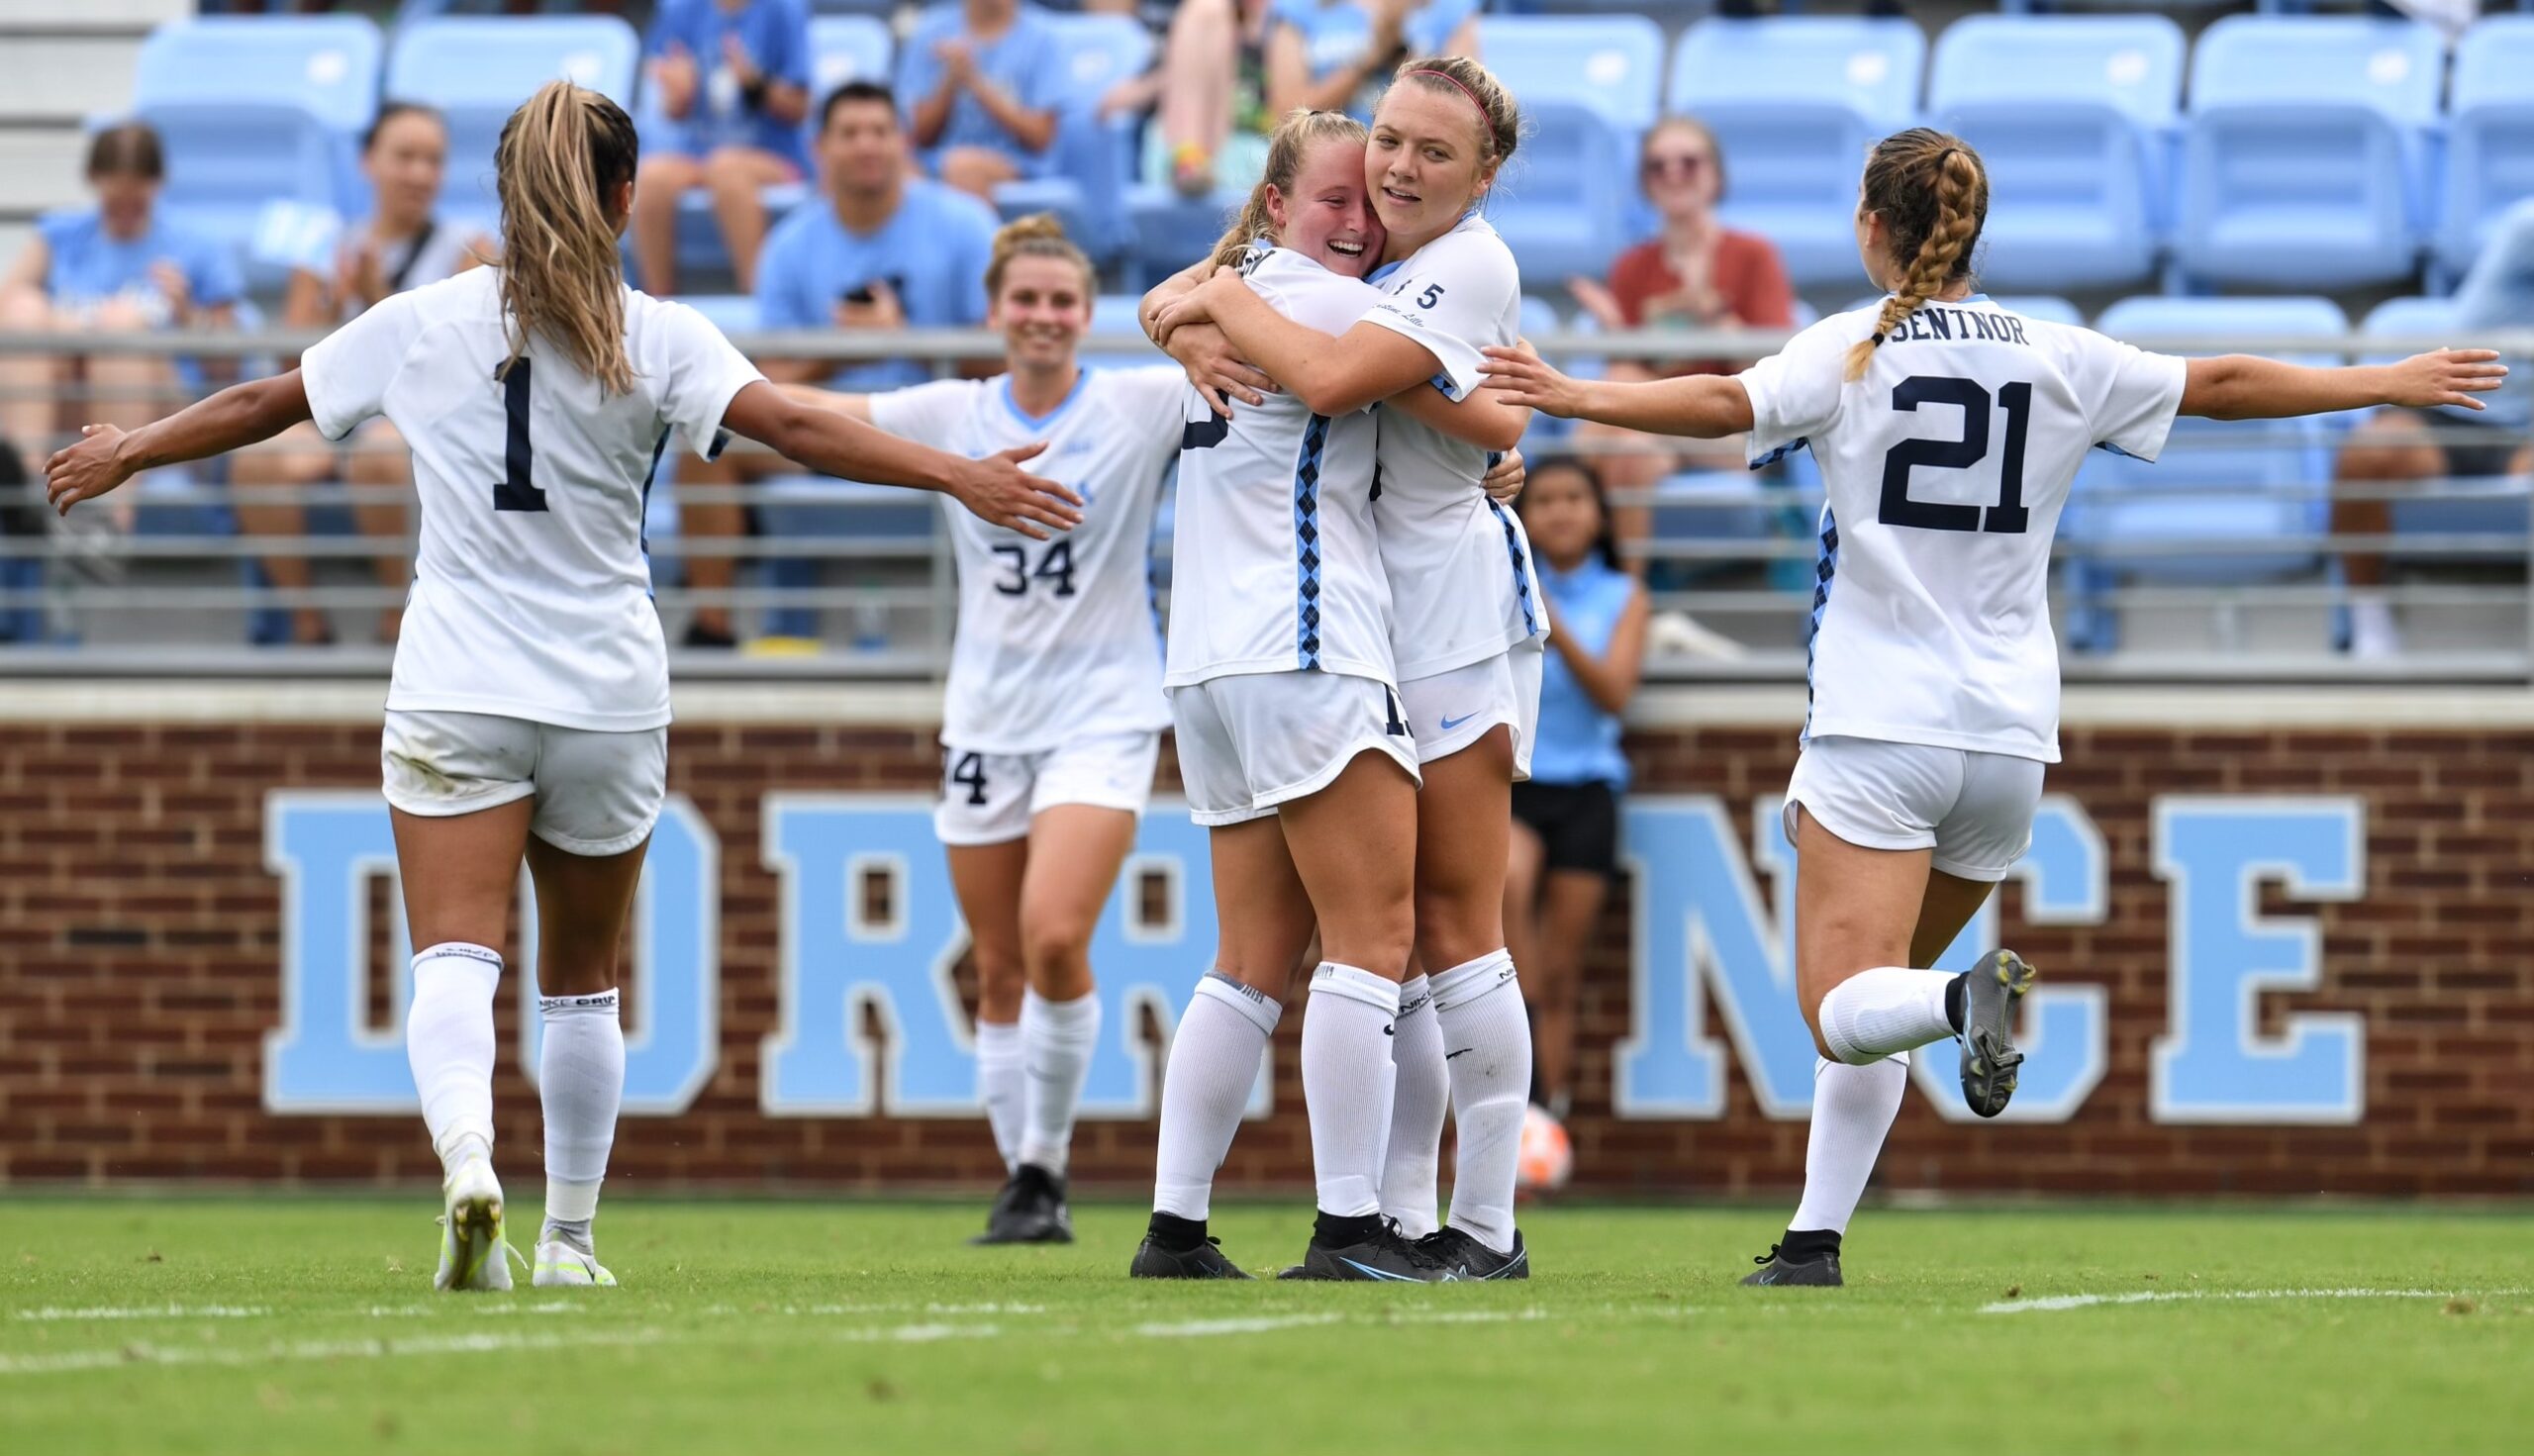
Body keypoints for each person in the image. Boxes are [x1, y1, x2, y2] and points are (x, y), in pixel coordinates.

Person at [44, 81, 1079, 1295]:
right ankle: (572, 1239)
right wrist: (958, 473)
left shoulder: (423, 319)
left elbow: (260, 401)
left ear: (502, 194)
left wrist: (131, 446)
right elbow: (797, 426)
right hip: (605, 691)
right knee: (582, 980)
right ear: (628, 198)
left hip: (456, 681)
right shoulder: (663, 335)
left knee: (452, 960)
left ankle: (469, 1161)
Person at [1479, 128, 2505, 1288]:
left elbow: (1723, 400)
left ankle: (1964, 1000)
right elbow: (2219, 383)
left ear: (1873, 228)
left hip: (1881, 725)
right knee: (1888, 999)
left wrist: (1573, 392)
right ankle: (1813, 1241)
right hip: (2009, 738)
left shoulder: (1854, 348)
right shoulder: (2056, 352)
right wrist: (2387, 377)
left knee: (1837, 1005)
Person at [1146, 55, 1541, 1283]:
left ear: (1482, 180)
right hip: (1321, 635)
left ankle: (1212, 1224)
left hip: (1315, 637)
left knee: (1365, 943)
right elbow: (1353, 377)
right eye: (1365, 165)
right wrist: (1198, 302)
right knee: (1395, 939)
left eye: (1426, 158)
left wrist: (1190, 305)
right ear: (1274, 206)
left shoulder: (1448, 264)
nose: (1374, 197)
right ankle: (1376, 1225)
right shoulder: (1329, 293)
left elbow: (1496, 421)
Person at [776, 216, 1185, 1245]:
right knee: (997, 964)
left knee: (1055, 934)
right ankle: (1027, 1182)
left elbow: (1274, 403)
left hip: (1104, 710)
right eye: (1026, 299)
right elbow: (809, 415)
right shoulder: (947, 410)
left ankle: (1045, 1166)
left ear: (1086, 315)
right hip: (985, 718)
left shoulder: (1136, 403)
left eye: (1061, 301)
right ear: (995, 310)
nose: (1044, 317)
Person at [679, 81, 1001, 648]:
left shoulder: (967, 223)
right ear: (820, 148)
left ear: (903, 142)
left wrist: (906, 338)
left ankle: (995, 637)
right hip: (823, 430)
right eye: (850, 133)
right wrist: (843, 351)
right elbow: (766, 377)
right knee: (708, 443)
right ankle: (712, 630)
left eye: (880, 131)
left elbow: (1003, 362)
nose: (867, 146)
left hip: (943, 427)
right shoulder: (790, 244)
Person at [231, 103, 493, 646]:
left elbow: (459, 367)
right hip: (338, 421)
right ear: (368, 162)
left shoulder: (471, 250)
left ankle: (399, 616)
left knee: (380, 453)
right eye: (405, 157)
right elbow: (288, 366)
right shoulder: (329, 250)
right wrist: (336, 306)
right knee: (257, 462)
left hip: (423, 426)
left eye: (433, 160)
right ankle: (305, 620)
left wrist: (376, 300)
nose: (421, 173)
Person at [1568, 115, 1797, 555]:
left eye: (1688, 163)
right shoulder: (1633, 266)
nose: (1673, 174)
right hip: (1656, 431)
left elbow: (1774, 373)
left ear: (1715, 174)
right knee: (1629, 450)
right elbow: (1627, 373)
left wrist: (1713, 318)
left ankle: (1600, 595)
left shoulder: (1753, 255)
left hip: (1735, 431)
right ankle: (1632, 599)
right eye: (1658, 166)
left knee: (1610, 418)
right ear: (1646, 182)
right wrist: (1617, 335)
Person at [1502, 455, 1646, 1137]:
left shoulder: (1622, 594)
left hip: (1588, 789)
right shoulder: (1498, 584)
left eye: (1574, 498)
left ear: (1598, 514)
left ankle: (1546, 1122)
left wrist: (1549, 617)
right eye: (1546, 499)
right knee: (1507, 894)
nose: (1559, 511)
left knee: (1560, 975)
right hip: (1517, 785)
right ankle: (1515, 1109)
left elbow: (1613, 692)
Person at [2330, 196, 2534, 658]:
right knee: (2369, 453)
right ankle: (2369, 627)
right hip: (2444, 410)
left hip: (2525, 431)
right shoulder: (2528, 224)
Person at [0, 123, 240, 497]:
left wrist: (188, 316)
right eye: (116, 200)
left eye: (138, 200)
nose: (126, 211)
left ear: (158, 182)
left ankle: (113, 510)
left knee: (121, 326)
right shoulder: (59, 236)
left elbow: (229, 367)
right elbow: (11, 313)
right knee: (26, 309)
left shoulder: (196, 247)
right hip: (70, 400)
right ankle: (27, 488)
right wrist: (68, 326)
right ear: (94, 179)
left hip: (164, 411)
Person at [632, 0, 814, 297]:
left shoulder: (784, 9)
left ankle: (759, 303)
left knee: (726, 169)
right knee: (651, 177)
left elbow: (799, 106)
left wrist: (756, 86)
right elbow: (672, 107)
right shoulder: (681, 10)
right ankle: (658, 308)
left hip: (777, 158)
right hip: (699, 156)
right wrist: (678, 95)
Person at [899, 0, 1065, 203]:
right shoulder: (931, 32)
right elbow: (919, 135)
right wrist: (950, 81)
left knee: (964, 167)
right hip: (934, 162)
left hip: (1018, 165)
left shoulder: (1043, 37)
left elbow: (1040, 138)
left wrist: (975, 83)